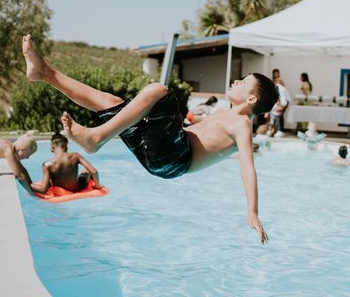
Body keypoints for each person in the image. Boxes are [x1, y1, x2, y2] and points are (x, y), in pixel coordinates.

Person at [22, 35, 277, 243]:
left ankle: (96, 137)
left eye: (243, 82)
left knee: (160, 91)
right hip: (164, 156)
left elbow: (247, 166)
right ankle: (44, 73)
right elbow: (197, 132)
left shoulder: (242, 125)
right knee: (113, 103)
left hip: (175, 158)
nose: (236, 80)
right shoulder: (225, 113)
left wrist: (252, 210)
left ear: (251, 99)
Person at [31, 133, 101, 195]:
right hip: (76, 189)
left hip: (59, 192)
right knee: (86, 169)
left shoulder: (47, 165)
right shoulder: (75, 156)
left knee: (48, 180)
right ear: (66, 147)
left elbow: (43, 190)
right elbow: (94, 171)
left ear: (52, 148)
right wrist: (98, 187)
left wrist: (28, 185)